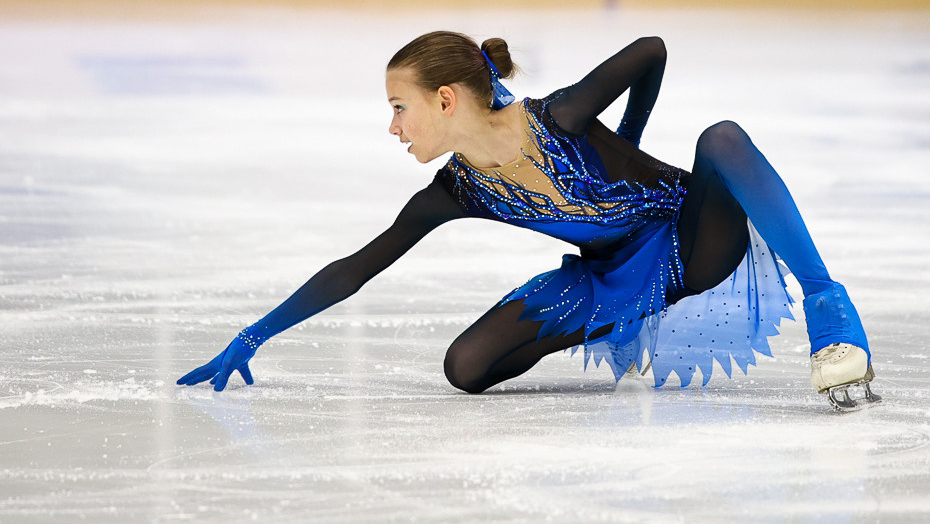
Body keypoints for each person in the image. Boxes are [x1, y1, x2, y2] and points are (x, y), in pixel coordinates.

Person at [177, 32, 880, 411]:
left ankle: (830, 309)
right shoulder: (455, 190)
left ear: (446, 99)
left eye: (399, 106)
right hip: (605, 280)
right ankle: (621, 320)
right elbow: (358, 266)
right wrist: (253, 334)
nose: (392, 125)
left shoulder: (561, 117)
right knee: (467, 367)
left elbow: (652, 50)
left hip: (688, 241)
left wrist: (630, 136)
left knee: (722, 138)